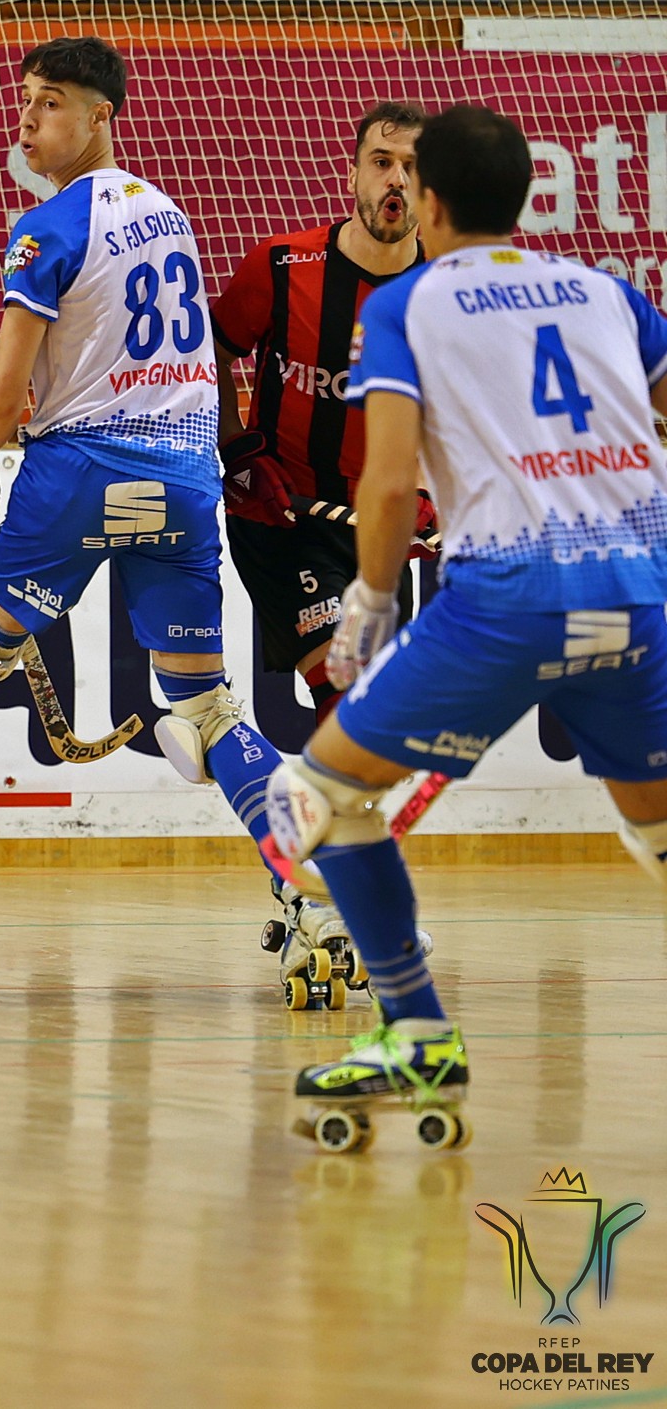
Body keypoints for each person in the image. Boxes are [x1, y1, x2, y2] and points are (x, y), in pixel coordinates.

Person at [0, 37, 288, 994]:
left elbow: (4, 396)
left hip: (80, 474)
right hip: (183, 481)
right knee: (205, 708)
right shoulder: (169, 213)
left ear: (103, 115)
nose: (28, 121)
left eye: (52, 103)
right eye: (26, 101)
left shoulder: (47, 227)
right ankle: (313, 889)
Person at [270, 104, 667, 1140]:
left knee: (316, 795)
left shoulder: (408, 304)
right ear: (524, 197)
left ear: (430, 200)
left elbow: (388, 481)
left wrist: (367, 603)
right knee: (658, 832)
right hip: (638, 596)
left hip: (507, 602)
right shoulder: (608, 293)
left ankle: (417, 1034)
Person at [209, 100, 436, 1004]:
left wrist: (437, 500)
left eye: (412, 166)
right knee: (343, 695)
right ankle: (339, 900)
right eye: (381, 161)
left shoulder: (446, 293)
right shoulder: (280, 266)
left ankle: (311, 878)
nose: (395, 180)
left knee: (369, 723)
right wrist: (236, 448)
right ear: (353, 173)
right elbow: (212, 348)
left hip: (377, 526)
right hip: (280, 519)